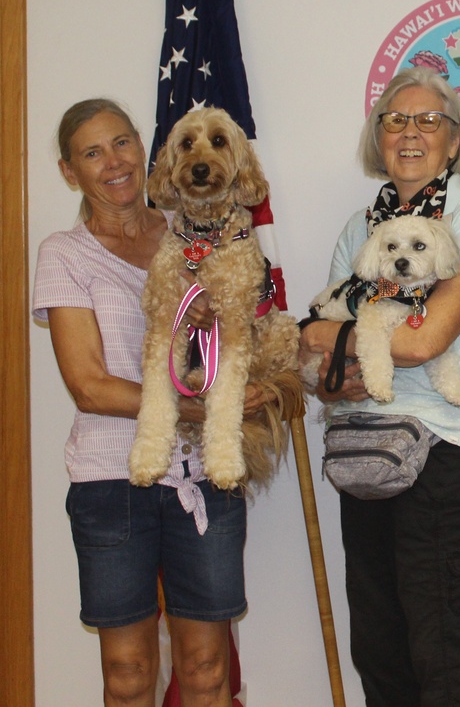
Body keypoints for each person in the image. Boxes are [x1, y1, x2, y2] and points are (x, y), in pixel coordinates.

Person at [32, 98, 277, 707]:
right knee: (130, 674)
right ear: (70, 172)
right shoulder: (62, 254)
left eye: (121, 143)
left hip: (202, 478)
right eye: (92, 153)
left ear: (146, 150)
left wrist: (263, 386)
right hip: (111, 480)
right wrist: (203, 408)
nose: (112, 162)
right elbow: (89, 386)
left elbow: (242, 337)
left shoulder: (200, 236)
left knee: (205, 670)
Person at [299, 66, 460, 707]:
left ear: (455, 141)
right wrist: (328, 353)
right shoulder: (358, 228)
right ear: (379, 138)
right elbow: (320, 365)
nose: (411, 133)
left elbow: (424, 342)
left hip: (448, 449)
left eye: (429, 121)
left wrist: (329, 341)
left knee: (443, 651)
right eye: (395, 120)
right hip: (363, 450)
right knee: (379, 650)